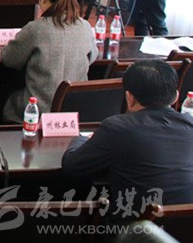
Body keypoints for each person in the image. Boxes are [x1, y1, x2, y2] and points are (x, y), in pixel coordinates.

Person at [62, 60, 193, 218]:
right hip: (184, 230)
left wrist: (80, 137)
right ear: (175, 97)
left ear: (129, 97)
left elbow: (72, 165)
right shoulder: (190, 125)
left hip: (134, 230)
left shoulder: (117, 128)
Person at [1, 0, 99, 122]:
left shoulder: (36, 28)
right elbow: (93, 57)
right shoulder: (85, 26)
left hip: (39, 110)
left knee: (7, 98)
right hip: (74, 110)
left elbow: (9, 59)